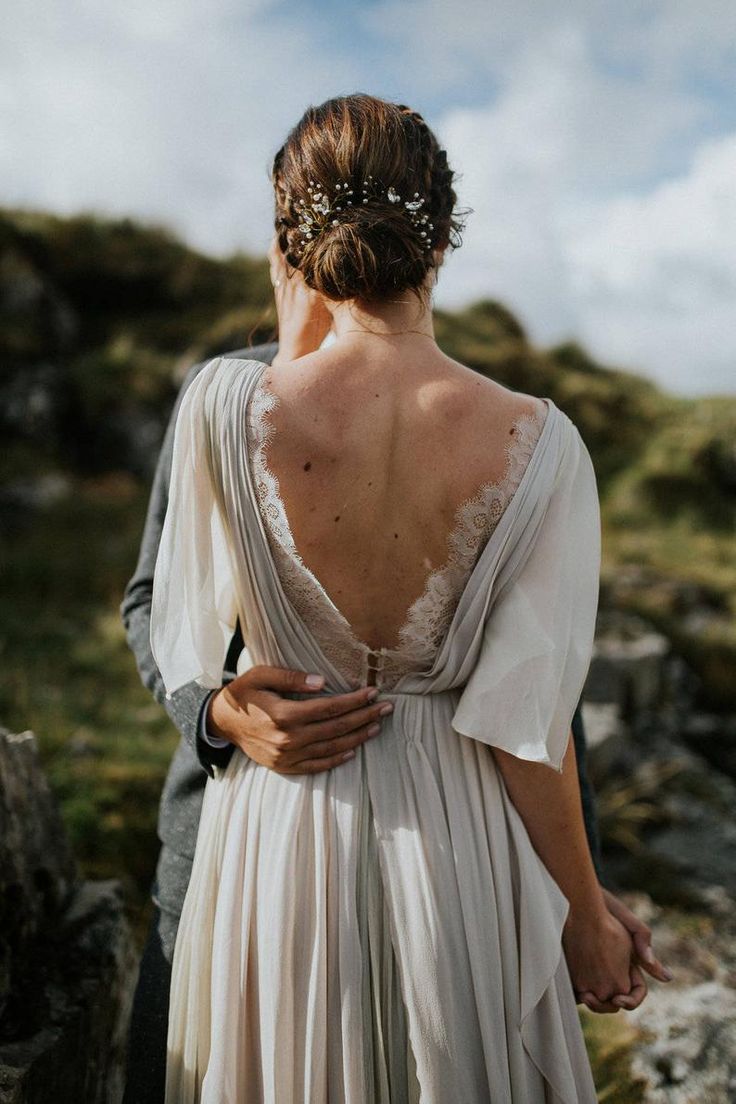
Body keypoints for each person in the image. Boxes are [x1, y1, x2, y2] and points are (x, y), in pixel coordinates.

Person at [124, 93, 672, 1103]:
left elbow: (187, 628)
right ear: (442, 239)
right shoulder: (542, 442)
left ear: (288, 240)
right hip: (462, 844)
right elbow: (528, 723)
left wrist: (298, 350)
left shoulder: (219, 403)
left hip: (278, 841)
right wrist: (583, 908)